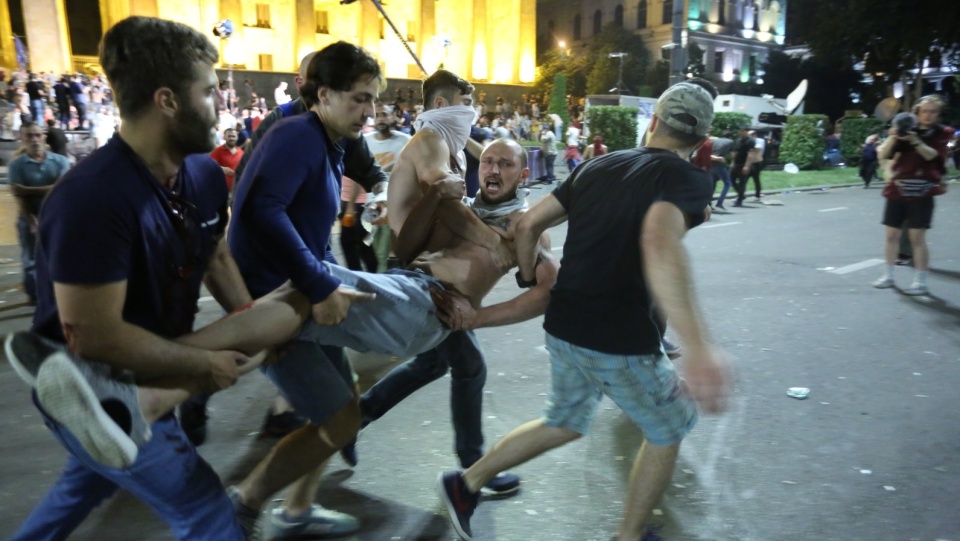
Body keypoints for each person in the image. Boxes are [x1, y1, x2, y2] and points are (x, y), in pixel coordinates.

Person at [1, 17, 304, 541]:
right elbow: (96, 336)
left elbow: (216, 258)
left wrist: (254, 324)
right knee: (211, 515)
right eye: (209, 92)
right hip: (97, 391)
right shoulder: (91, 198)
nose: (220, 106)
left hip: (150, 375)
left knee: (84, 486)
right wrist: (203, 363)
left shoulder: (205, 173)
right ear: (167, 100)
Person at [437, 82, 730, 541]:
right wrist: (698, 347)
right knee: (670, 424)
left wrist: (529, 274)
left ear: (653, 122)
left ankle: (465, 483)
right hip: (617, 337)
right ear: (701, 143)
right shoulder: (688, 179)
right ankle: (629, 535)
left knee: (566, 420)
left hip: (565, 326)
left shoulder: (600, 164)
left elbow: (530, 222)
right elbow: (658, 238)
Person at [341, 71, 534, 497]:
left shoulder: (446, 140)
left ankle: (352, 420)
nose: (474, 109)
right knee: (468, 366)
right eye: (467, 100)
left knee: (436, 363)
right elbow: (442, 193)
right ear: (447, 103)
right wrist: (492, 242)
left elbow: (482, 164)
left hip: (423, 268)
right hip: (419, 273)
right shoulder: (431, 140)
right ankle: (472, 468)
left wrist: (499, 162)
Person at [225, 41, 385, 539]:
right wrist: (320, 285)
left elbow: (310, 233)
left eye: (374, 99)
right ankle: (245, 504)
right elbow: (260, 212)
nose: (369, 110)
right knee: (338, 418)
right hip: (275, 300)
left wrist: (330, 278)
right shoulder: (297, 135)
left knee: (347, 406)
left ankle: (298, 506)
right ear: (325, 93)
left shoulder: (326, 141)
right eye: (359, 98)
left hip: (299, 293)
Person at [872, 95, 954, 296]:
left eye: (933, 111)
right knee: (891, 236)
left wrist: (914, 140)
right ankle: (888, 275)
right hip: (898, 187)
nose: (928, 115)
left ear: (938, 114)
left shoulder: (942, 132)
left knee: (917, 238)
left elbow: (931, 155)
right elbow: (884, 155)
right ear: (917, 112)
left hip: (923, 190)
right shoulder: (906, 128)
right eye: (924, 111)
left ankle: (920, 281)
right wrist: (893, 135)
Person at [7, 122, 70, 304]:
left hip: (56, 218)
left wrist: (27, 189)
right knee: (31, 261)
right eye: (29, 136)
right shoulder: (17, 165)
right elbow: (19, 197)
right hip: (30, 218)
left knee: (57, 256)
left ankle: (56, 295)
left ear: (43, 137)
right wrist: (31, 219)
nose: (34, 139)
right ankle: (36, 297)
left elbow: (60, 189)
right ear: (22, 139)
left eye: (37, 135)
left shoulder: (60, 161)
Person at [364, 102, 412, 270]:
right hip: (370, 206)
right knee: (373, 251)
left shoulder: (405, 141)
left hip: (395, 206)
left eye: (384, 114)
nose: (381, 119)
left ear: (392, 117)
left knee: (383, 254)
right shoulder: (365, 142)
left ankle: (382, 289)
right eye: (377, 115)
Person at [730, 126, 759, 207]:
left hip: (744, 163)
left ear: (746, 131)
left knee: (742, 182)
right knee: (731, 179)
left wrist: (747, 166)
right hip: (736, 163)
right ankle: (741, 194)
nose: (740, 133)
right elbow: (735, 153)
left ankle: (739, 200)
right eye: (739, 131)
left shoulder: (750, 141)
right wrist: (732, 162)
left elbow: (751, 154)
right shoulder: (738, 140)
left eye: (742, 131)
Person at [209, 126, 243, 191]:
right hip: (222, 189)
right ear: (224, 137)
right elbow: (209, 167)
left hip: (237, 189)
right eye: (229, 136)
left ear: (237, 137)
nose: (231, 138)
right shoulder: (217, 151)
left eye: (233, 136)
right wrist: (221, 169)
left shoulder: (241, 152)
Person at [708, 135, 734, 210]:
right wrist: (732, 163)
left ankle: (709, 203)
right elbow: (733, 155)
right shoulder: (730, 142)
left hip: (711, 164)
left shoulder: (714, 142)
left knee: (713, 183)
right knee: (728, 183)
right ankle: (720, 202)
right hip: (720, 165)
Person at [746, 130, 765, 201]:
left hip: (757, 162)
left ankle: (757, 194)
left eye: (750, 135)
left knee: (756, 178)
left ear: (754, 135)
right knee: (745, 179)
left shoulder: (759, 142)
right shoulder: (748, 142)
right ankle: (741, 194)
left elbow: (759, 149)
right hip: (750, 162)